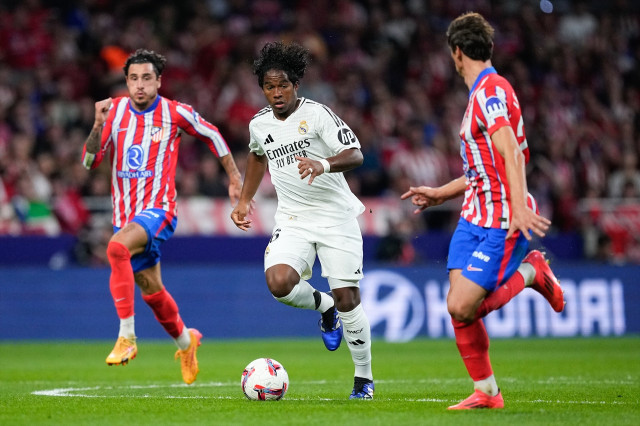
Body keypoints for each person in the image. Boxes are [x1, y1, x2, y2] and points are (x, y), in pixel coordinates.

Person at [401, 12, 565, 409]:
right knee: (458, 305)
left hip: (502, 219)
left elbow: (509, 149)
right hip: (474, 216)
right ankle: (487, 392)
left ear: (456, 53)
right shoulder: (481, 93)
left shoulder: (490, 92)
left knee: (462, 305)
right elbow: (481, 170)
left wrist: (519, 207)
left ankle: (532, 271)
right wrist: (442, 193)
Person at [81, 49, 243, 384]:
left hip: (159, 211)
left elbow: (212, 134)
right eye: (133, 78)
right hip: (125, 217)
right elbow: (89, 163)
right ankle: (187, 342)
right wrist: (97, 125)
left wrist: (234, 177)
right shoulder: (113, 112)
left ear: (158, 81)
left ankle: (126, 337)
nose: (139, 85)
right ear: (126, 81)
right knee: (152, 291)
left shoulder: (174, 112)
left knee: (115, 249)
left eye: (146, 78)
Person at [230, 41, 374, 399]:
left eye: (283, 86)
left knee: (347, 297)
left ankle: (363, 378)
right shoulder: (259, 123)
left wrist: (322, 163)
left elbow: (354, 153)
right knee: (279, 283)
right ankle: (324, 308)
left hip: (335, 217)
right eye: (269, 87)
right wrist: (245, 200)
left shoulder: (318, 115)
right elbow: (257, 156)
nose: (276, 93)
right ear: (262, 89)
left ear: (296, 84)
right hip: (293, 218)